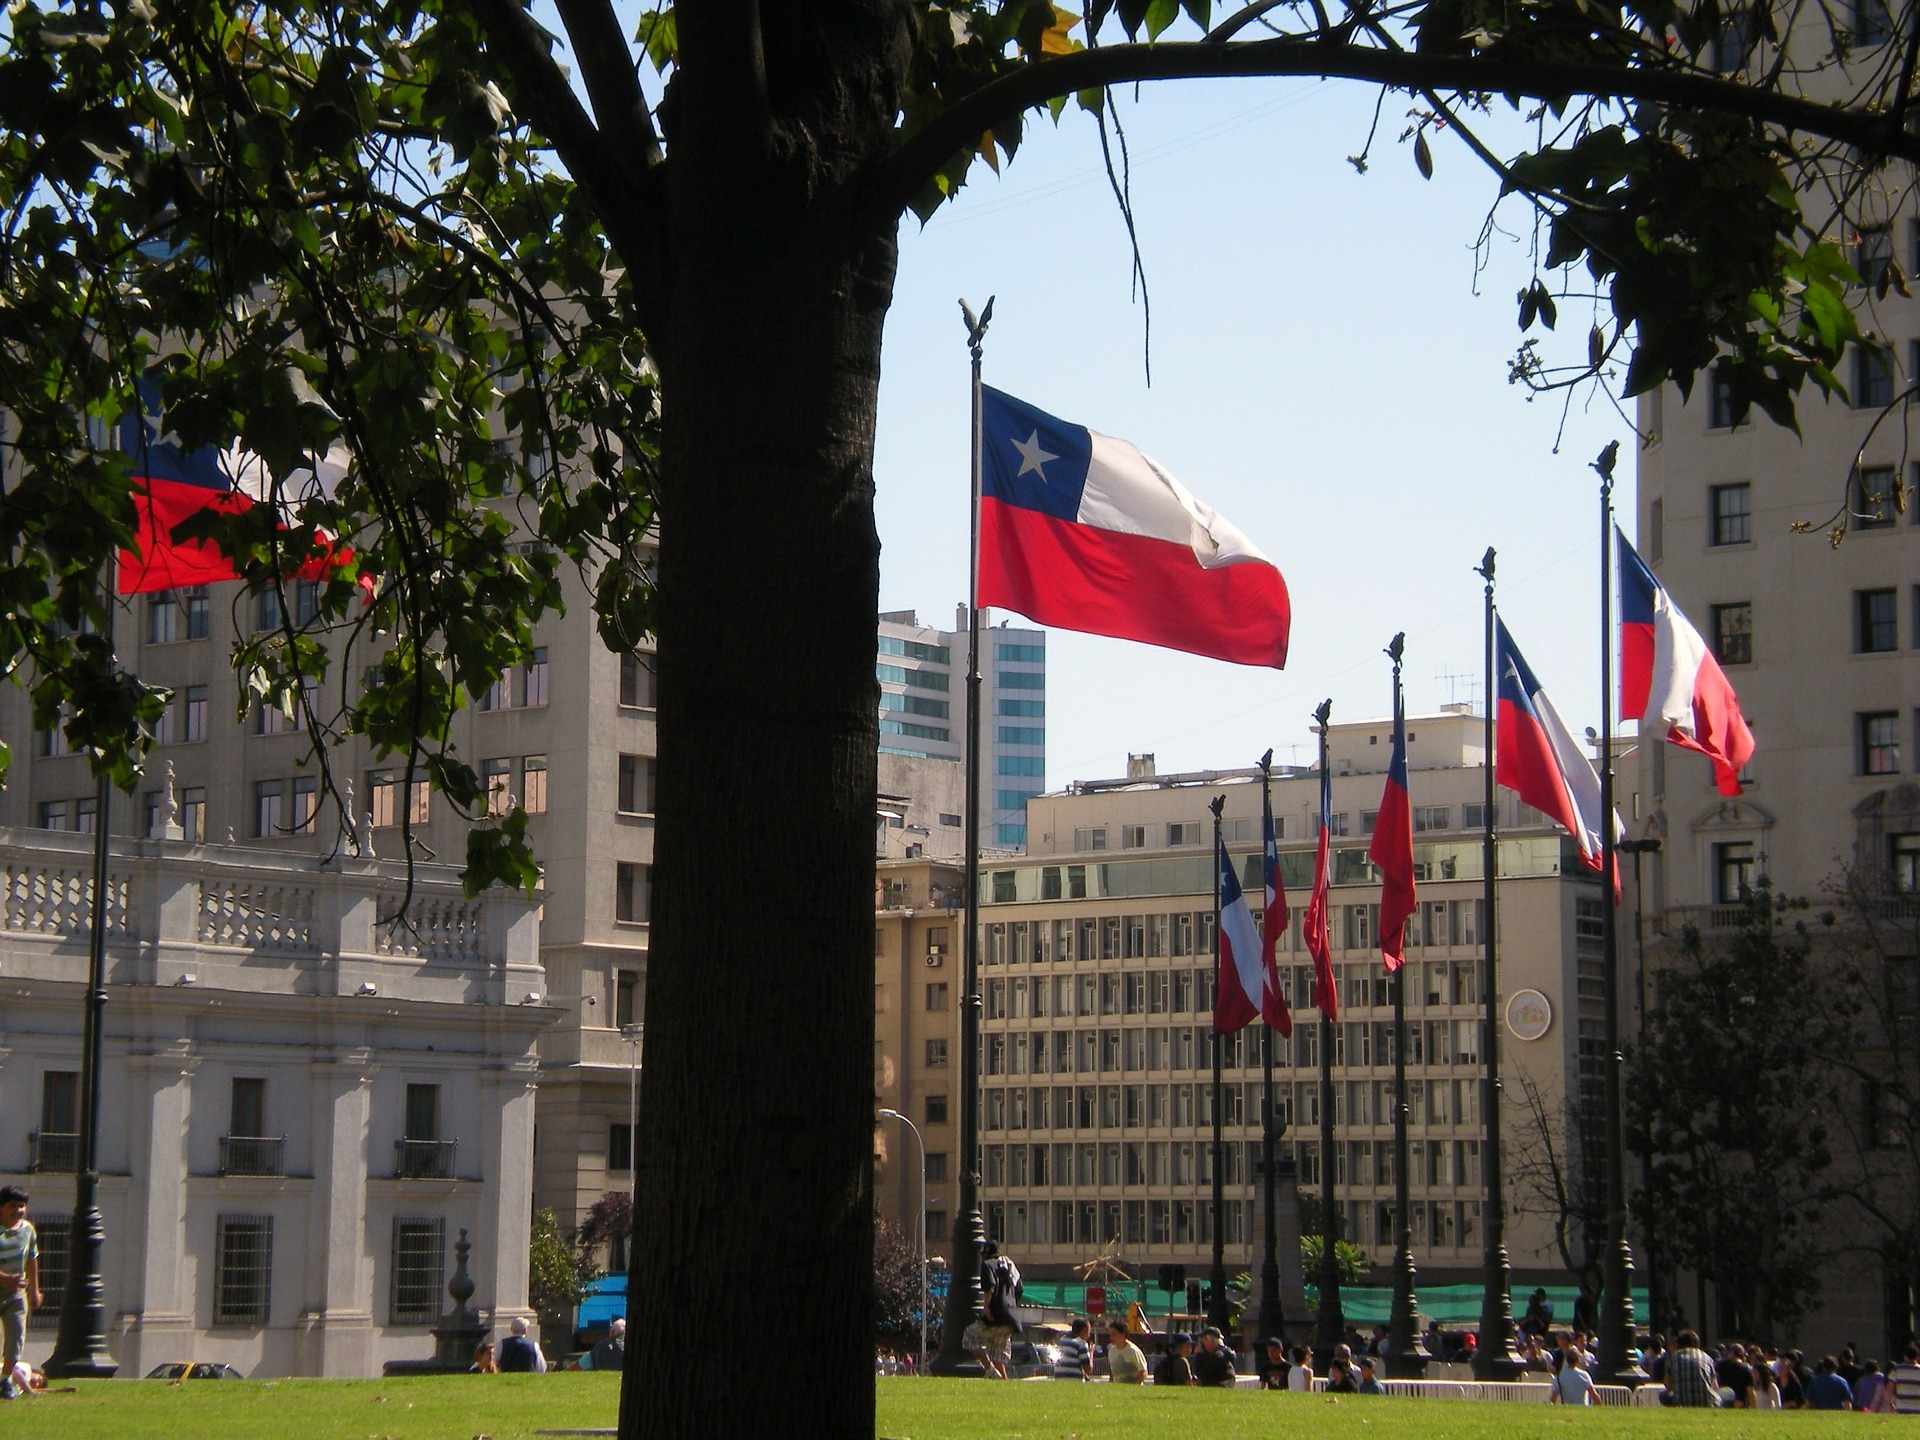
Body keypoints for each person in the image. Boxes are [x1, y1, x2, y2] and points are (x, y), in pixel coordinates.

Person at [0, 1187, 40, 1403]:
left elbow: (32, 1259)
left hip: (16, 1293)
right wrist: (5, 1277)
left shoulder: (28, 1231)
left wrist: (34, 1290)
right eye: (12, 1206)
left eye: (21, 1206)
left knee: (16, 1336)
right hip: (5, 1285)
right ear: (2, 1208)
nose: (18, 1210)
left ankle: (5, 1380)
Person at [1661, 1329, 1722, 1407]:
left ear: (1678, 1344)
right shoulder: (1707, 1357)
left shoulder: (1672, 1358)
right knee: (1728, 1392)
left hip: (1681, 1402)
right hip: (1707, 1402)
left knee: (1663, 1396)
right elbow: (1714, 1385)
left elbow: (1668, 1384)